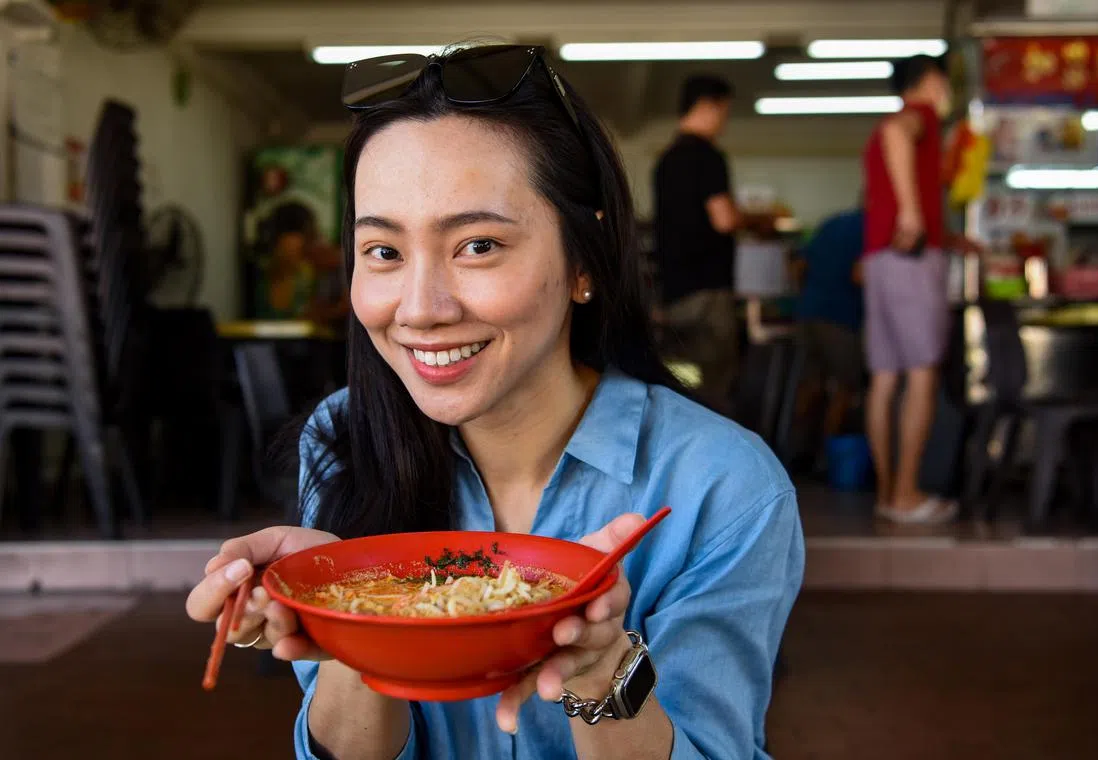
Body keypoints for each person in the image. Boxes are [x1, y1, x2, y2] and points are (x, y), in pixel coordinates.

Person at [185, 44, 803, 760]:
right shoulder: (348, 435)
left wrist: (602, 672)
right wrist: (352, 617)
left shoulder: (722, 488)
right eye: (383, 252)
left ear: (584, 261)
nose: (420, 310)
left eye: (477, 245)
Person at [862, 54, 963, 524]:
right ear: (931, 80)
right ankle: (905, 494)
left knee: (885, 379)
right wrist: (913, 212)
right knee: (922, 372)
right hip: (911, 259)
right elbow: (896, 133)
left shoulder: (889, 130)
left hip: (882, 260)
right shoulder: (917, 116)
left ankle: (887, 494)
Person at [652, 75, 773, 414]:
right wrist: (756, 220)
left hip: (674, 292)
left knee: (682, 380)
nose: (724, 121)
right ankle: (715, 457)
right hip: (707, 290)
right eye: (724, 111)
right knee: (716, 384)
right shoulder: (707, 155)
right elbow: (724, 219)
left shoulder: (666, 159)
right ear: (707, 106)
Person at [795, 206, 866, 465]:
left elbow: (799, 265)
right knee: (844, 389)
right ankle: (829, 457)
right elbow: (860, 274)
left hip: (808, 313)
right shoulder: (871, 230)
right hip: (841, 317)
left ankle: (791, 450)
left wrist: (805, 297)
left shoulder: (830, 223)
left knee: (809, 386)